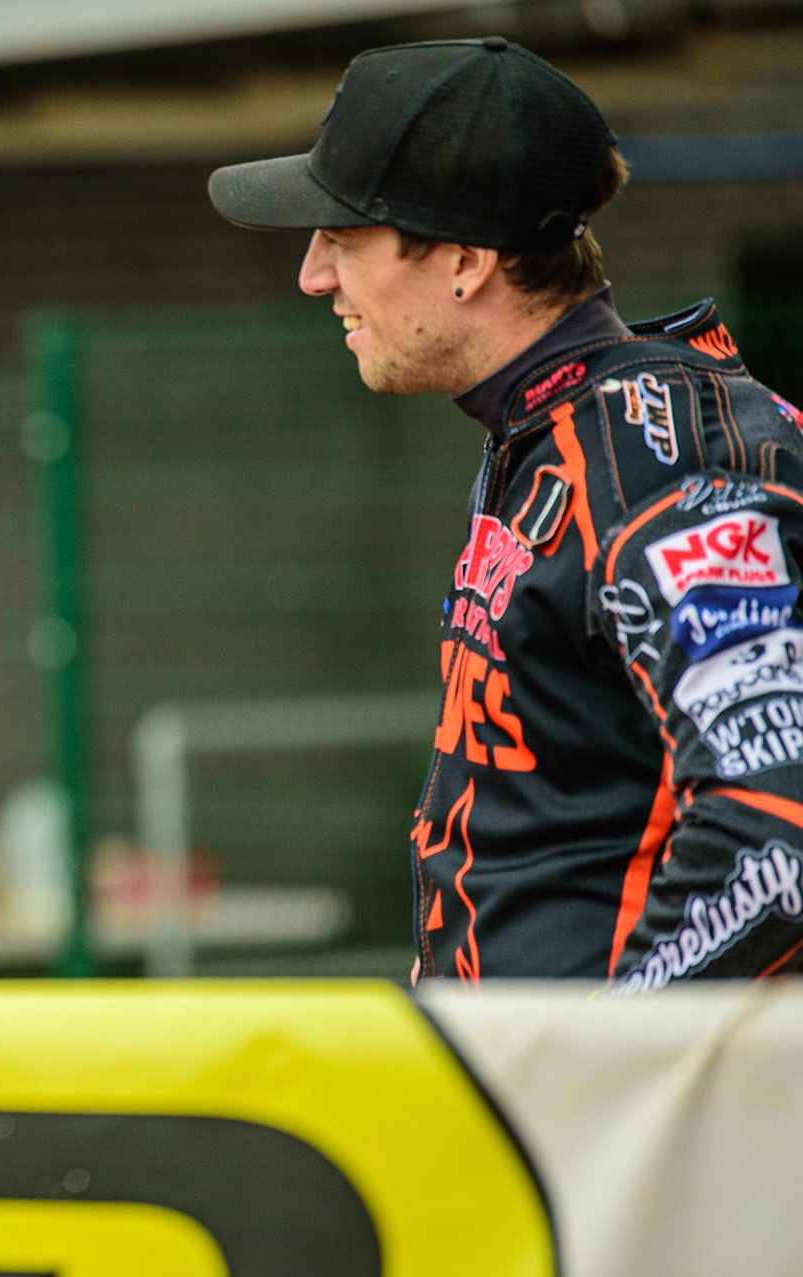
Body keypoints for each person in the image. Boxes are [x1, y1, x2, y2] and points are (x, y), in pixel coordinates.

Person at [209, 38, 803, 989]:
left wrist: (602, 1059)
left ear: (464, 261)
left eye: (344, 236)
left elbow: (781, 820)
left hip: (618, 1123)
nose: (314, 276)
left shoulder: (662, 458)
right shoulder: (556, 431)